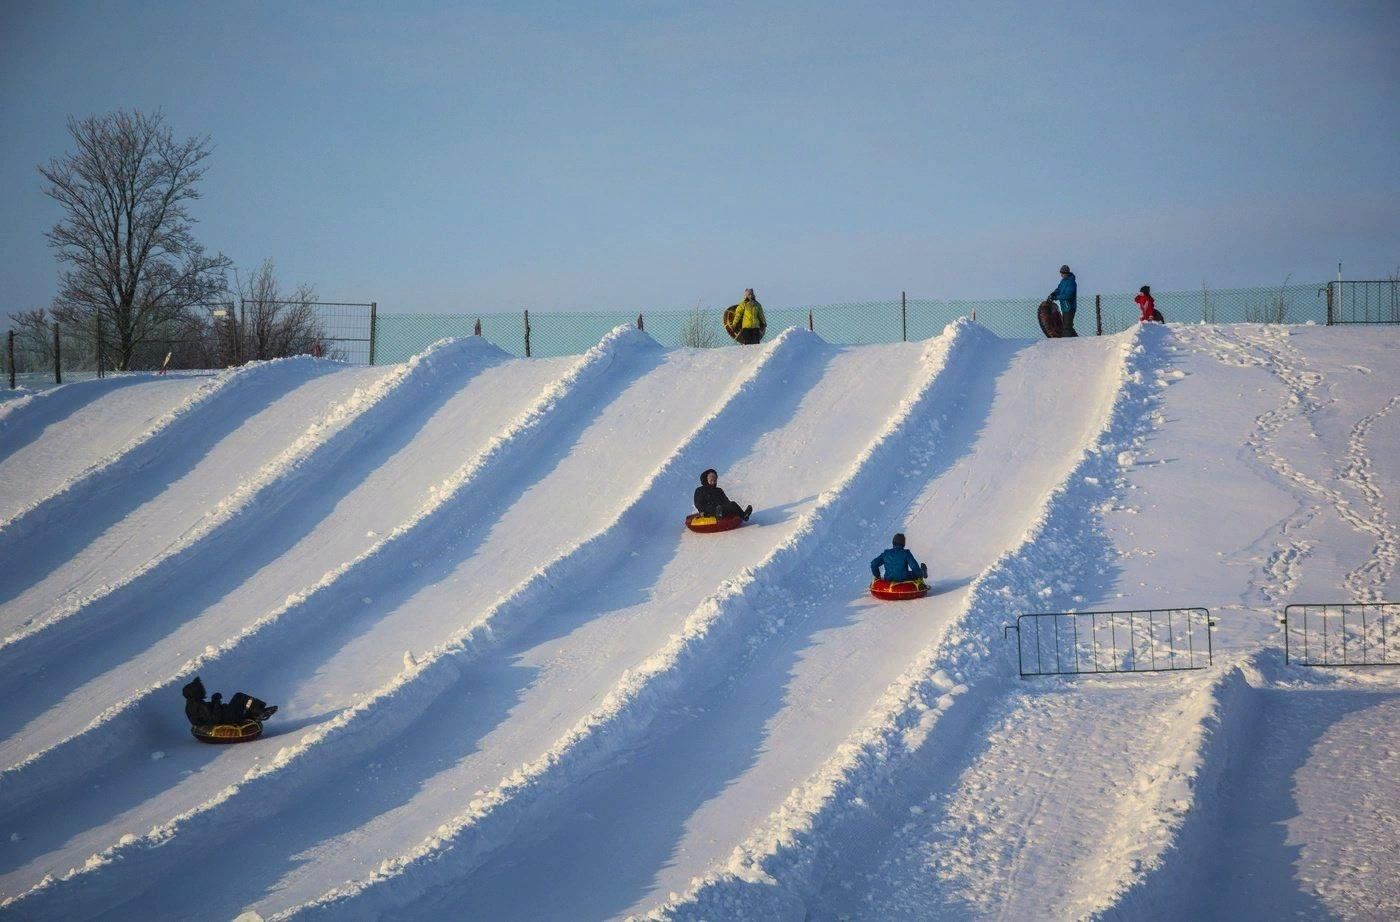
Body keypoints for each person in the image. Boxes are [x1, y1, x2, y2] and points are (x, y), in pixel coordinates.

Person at [182, 676, 277, 726]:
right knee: (239, 697)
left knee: (237, 703)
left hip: (223, 717)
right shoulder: (197, 705)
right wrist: (216, 701)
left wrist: (217, 703)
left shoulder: (194, 704)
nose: (203, 691)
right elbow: (214, 718)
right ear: (195, 692)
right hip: (224, 720)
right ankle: (260, 712)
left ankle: (257, 713)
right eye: (201, 689)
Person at [1049, 265, 1078, 336]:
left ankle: (1066, 342)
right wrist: (1053, 293)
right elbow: (1059, 289)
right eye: (1061, 273)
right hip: (1064, 307)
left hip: (1070, 307)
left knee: (1067, 327)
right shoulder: (1063, 282)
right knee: (1068, 326)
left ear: (1066, 273)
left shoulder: (1072, 283)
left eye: (1062, 273)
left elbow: (1068, 295)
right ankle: (1077, 341)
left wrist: (1056, 297)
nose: (1061, 275)